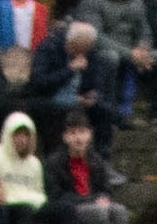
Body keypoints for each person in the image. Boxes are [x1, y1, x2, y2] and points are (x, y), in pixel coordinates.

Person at [43, 106, 129, 224]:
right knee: (97, 212)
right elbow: (57, 195)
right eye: (73, 133)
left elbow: (105, 189)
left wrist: (104, 197)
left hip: (96, 203)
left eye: (82, 132)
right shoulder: (54, 163)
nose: (78, 138)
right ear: (65, 137)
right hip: (72, 207)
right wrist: (93, 200)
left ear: (89, 134)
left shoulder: (96, 160)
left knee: (119, 211)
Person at [28, 20, 115, 152]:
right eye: (78, 49)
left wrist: (91, 94)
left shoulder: (88, 52)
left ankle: (101, 157)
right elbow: (39, 82)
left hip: (77, 99)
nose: (82, 54)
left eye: (86, 50)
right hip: (49, 98)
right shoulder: (49, 47)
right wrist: (69, 69)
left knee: (104, 110)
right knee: (57, 114)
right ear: (71, 43)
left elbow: (95, 80)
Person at [0, 111, 46, 224]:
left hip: (26, 206)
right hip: (1, 204)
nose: (21, 139)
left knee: (27, 213)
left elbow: (38, 192)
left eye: (26, 135)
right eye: (17, 134)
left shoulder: (34, 163)